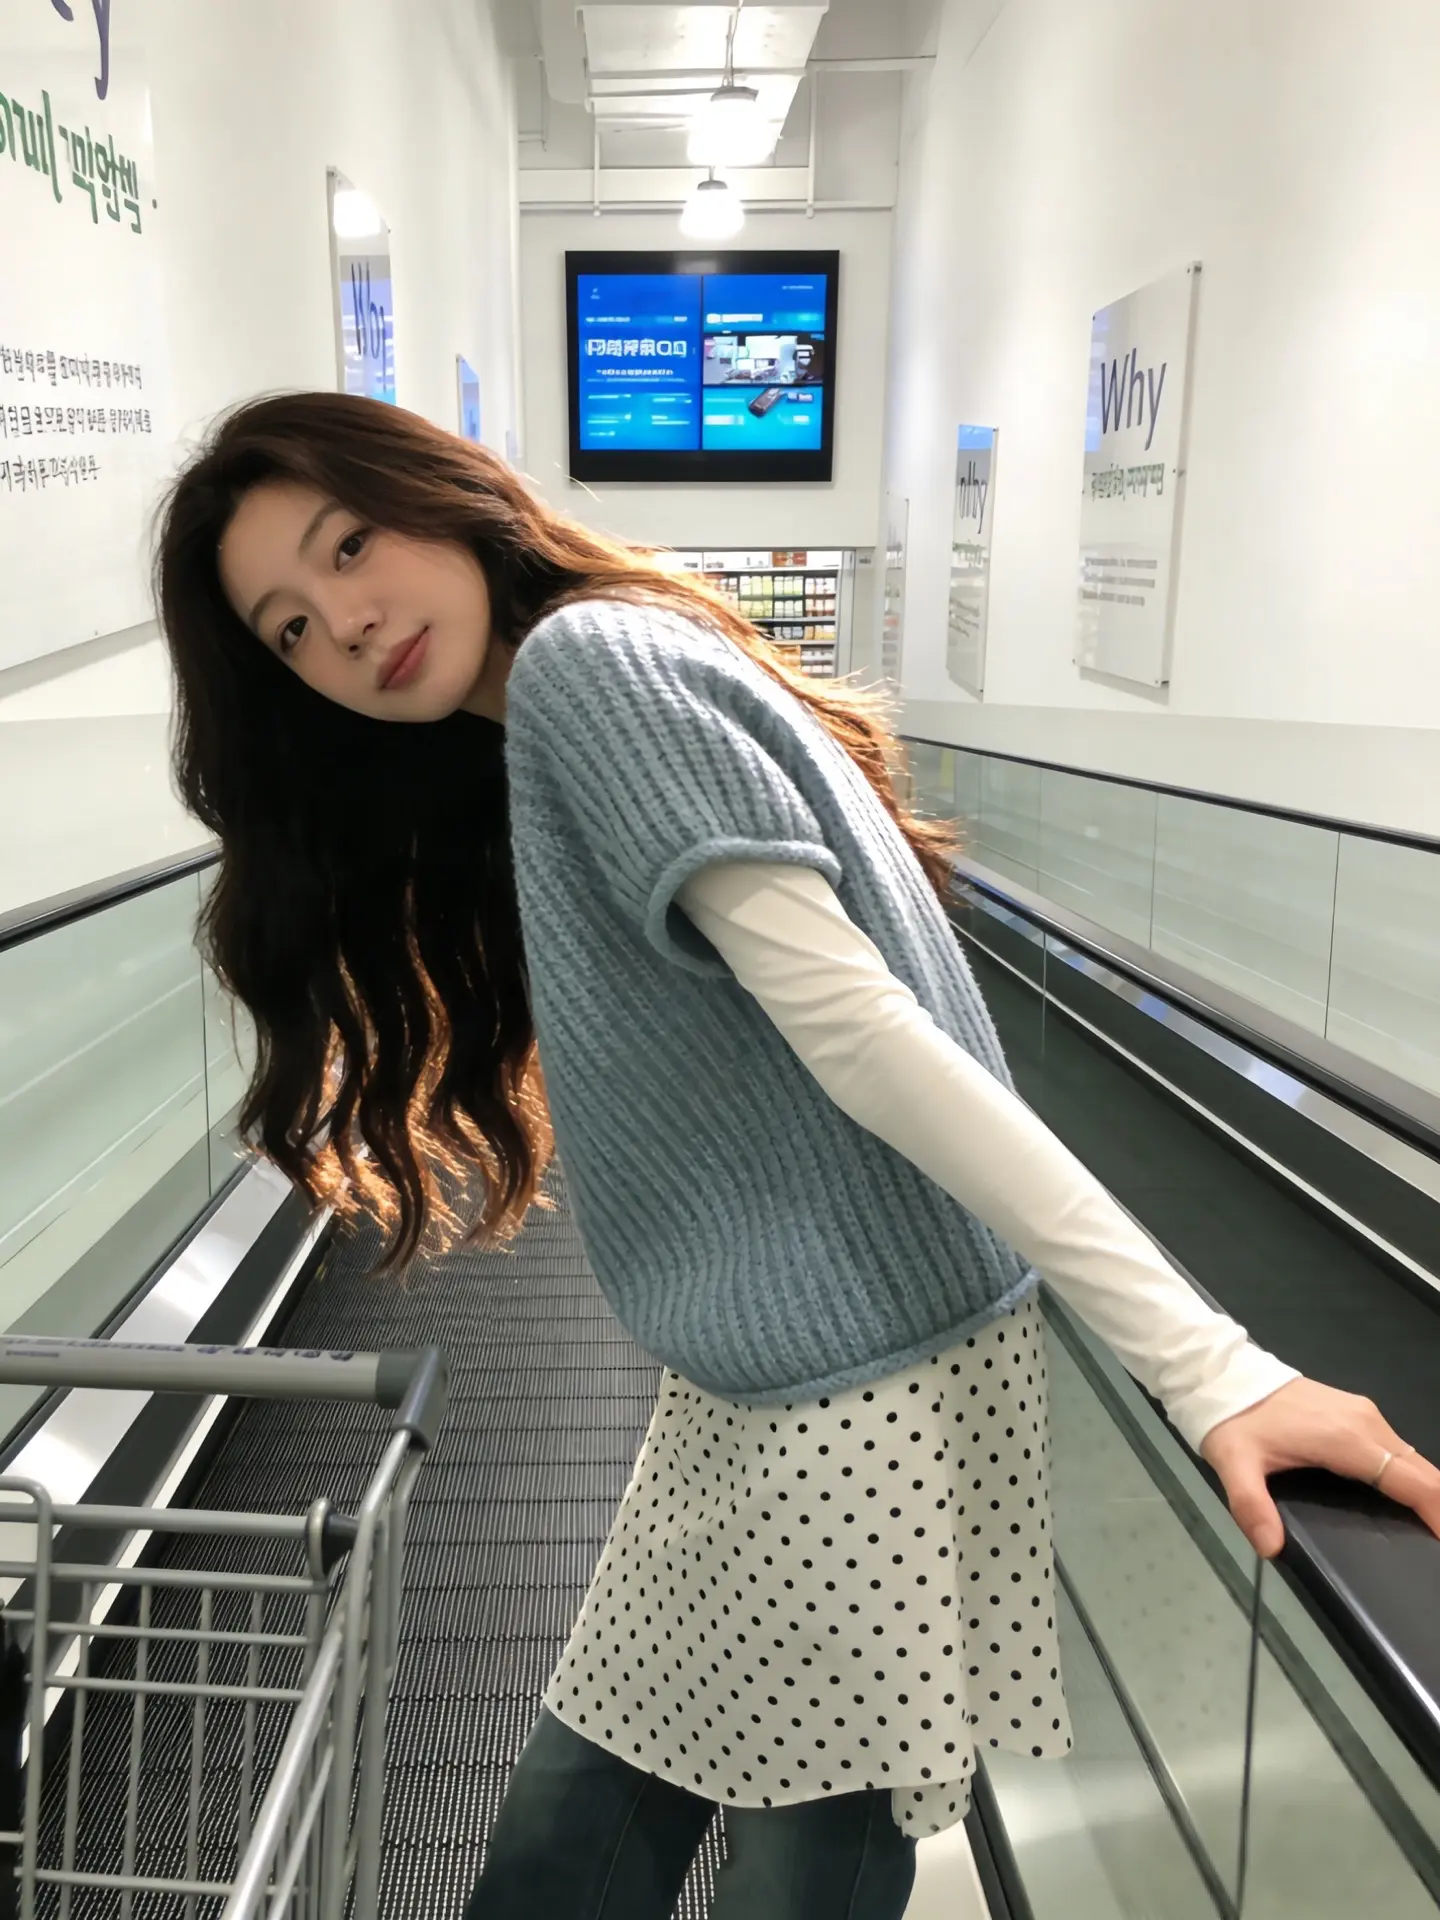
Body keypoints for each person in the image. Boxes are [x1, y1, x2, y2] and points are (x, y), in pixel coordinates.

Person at [157, 392, 1439, 1920]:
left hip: (859, 1406)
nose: (349, 624)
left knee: (773, 1875)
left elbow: (866, 1030)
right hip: (757, 1392)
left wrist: (1209, 1366)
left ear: (441, 494)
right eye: (292, 631)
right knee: (573, 1844)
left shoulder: (588, 665)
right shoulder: (578, 688)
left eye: (349, 545)